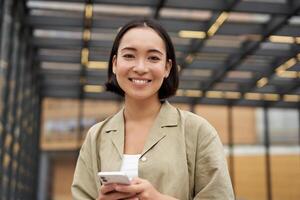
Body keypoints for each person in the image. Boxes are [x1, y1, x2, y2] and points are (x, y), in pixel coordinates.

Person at [72, 18, 234, 200]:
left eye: (153, 58)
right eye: (129, 56)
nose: (140, 68)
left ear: (167, 68)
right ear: (115, 64)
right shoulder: (96, 136)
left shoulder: (197, 131)